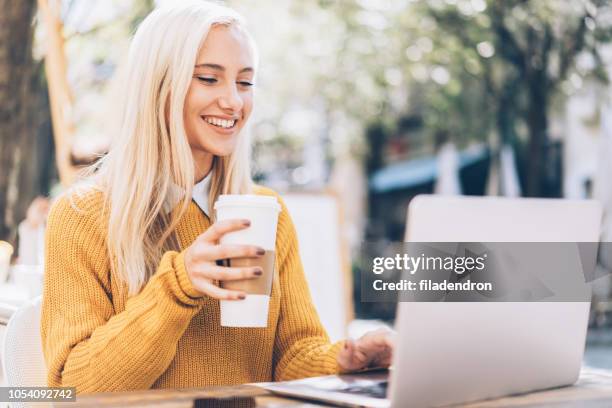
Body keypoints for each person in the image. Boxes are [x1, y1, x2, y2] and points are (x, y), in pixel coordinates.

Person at [41, 1, 393, 394]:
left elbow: (292, 355)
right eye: (209, 79)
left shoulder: (265, 212)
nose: (233, 101)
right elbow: (71, 390)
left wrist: (344, 359)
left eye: (244, 82)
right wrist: (178, 285)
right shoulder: (83, 216)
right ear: (158, 86)